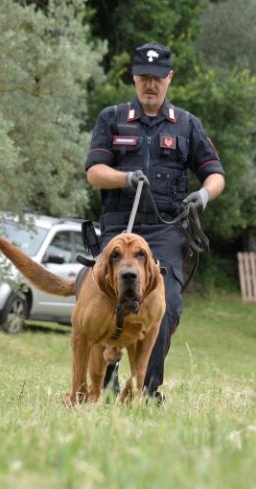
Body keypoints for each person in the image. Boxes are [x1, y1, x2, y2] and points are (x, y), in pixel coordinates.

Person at [85, 42, 226, 402]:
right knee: (107, 298)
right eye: (144, 78)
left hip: (165, 230)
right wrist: (126, 178)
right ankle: (107, 370)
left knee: (169, 304)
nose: (151, 85)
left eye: (158, 78)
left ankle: (145, 389)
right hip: (121, 225)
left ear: (169, 79)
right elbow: (94, 173)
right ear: (134, 78)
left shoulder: (187, 125)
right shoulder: (112, 118)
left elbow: (215, 174)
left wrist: (204, 195)